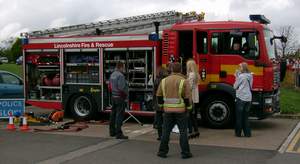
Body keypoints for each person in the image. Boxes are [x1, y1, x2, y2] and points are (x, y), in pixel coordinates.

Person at [156, 62, 193, 159]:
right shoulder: (184, 81)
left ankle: (162, 152)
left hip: (167, 110)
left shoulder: (164, 81)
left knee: (166, 132)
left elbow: (159, 95)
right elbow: (187, 97)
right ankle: (185, 153)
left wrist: (161, 106)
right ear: (181, 70)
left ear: (171, 69)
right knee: (183, 132)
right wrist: (189, 108)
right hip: (181, 111)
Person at [109, 62, 129, 139]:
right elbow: (121, 88)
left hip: (113, 96)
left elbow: (110, 86)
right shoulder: (120, 75)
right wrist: (125, 96)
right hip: (120, 97)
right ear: (120, 67)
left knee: (113, 114)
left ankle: (112, 131)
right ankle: (119, 133)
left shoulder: (113, 74)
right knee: (119, 115)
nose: (124, 69)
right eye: (123, 67)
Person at [233, 62, 253, 137]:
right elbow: (250, 85)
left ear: (243, 68)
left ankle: (238, 133)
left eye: (240, 67)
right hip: (248, 98)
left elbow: (235, 86)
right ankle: (247, 133)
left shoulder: (241, 76)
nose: (239, 68)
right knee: (246, 117)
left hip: (241, 97)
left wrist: (236, 76)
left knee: (239, 117)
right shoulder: (250, 75)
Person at [153, 67, 169, 140]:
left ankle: (160, 135)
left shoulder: (156, 80)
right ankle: (165, 135)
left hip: (158, 102)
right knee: (166, 120)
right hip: (165, 102)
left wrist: (154, 103)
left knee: (159, 120)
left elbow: (154, 93)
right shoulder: (166, 81)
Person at [186, 59, 200, 139]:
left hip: (191, 98)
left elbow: (189, 87)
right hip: (195, 98)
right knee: (193, 116)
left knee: (189, 115)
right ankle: (196, 131)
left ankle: (190, 132)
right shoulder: (196, 74)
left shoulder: (191, 75)